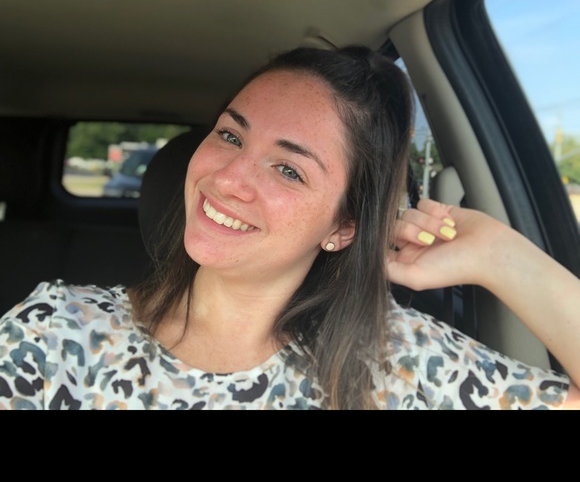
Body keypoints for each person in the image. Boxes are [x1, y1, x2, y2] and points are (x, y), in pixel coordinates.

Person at [0, 45, 578, 410]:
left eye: (288, 169)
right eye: (230, 135)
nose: (228, 179)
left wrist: (501, 256)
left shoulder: (398, 362)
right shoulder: (58, 332)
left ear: (344, 227)